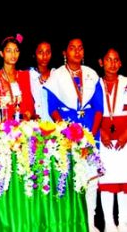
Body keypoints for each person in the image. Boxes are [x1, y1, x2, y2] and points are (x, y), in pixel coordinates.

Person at [44, 38, 104, 232]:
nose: (77, 52)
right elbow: (53, 109)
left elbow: (99, 108)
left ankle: (91, 219)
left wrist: (91, 136)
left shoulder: (92, 75)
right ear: (64, 52)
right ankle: (73, 221)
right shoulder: (57, 76)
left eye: (80, 48)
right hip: (66, 133)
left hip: (90, 131)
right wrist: (66, 131)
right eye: (72, 48)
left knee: (91, 178)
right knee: (68, 176)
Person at [97, 48, 127, 232]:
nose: (113, 63)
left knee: (125, 179)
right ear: (101, 62)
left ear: (121, 63)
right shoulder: (95, 85)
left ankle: (123, 221)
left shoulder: (126, 83)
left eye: (116, 60)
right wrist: (101, 131)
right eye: (109, 59)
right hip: (104, 138)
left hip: (125, 136)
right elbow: (91, 111)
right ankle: (108, 222)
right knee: (106, 179)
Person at [0, 35, 37, 120]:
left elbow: (30, 102)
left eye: (16, 50)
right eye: (9, 51)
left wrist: (29, 113)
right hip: (4, 125)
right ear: (1, 53)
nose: (13, 54)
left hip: (25, 124)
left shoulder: (25, 75)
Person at [30, 41, 55, 120]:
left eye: (48, 52)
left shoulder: (56, 75)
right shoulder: (28, 75)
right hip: (35, 126)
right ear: (34, 54)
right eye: (41, 52)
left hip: (56, 126)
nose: (45, 56)